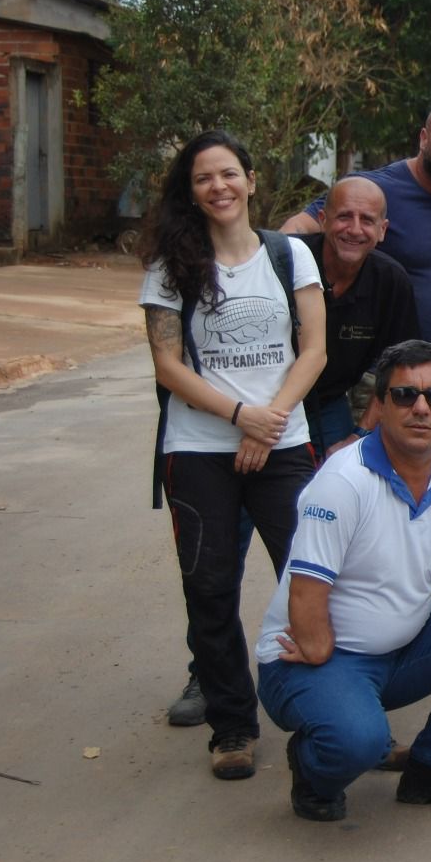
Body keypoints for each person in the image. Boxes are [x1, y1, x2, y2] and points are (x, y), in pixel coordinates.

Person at [255, 340, 431, 821]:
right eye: (405, 395)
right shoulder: (344, 481)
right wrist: (319, 653)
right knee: (357, 743)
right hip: (317, 656)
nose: (422, 408)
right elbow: (305, 592)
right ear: (378, 406)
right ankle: (312, 765)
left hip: (399, 653)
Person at [139, 129, 326, 780]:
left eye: (227, 173)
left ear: (250, 179)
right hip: (199, 450)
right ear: (190, 192)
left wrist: (267, 423)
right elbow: (168, 364)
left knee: (312, 579)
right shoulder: (171, 267)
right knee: (210, 587)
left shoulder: (289, 254)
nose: (217, 187)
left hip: (283, 444)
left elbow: (314, 349)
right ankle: (233, 726)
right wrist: (242, 415)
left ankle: (332, 708)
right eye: (202, 178)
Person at [284, 100, 431, 454]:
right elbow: (302, 228)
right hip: (377, 380)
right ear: (424, 138)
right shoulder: (376, 188)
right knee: (368, 485)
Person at [296, 176, 421, 451]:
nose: (354, 229)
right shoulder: (287, 260)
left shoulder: (390, 281)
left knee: (344, 470)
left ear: (382, 230)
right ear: (322, 219)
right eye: (344, 217)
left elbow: (399, 370)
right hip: (264, 399)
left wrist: (357, 436)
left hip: (327, 402)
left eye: (366, 220)